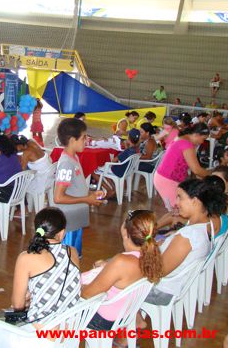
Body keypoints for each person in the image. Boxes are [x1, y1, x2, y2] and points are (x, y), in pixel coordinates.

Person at [0, 208, 81, 348]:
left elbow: (18, 305)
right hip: (70, 331)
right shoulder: (72, 251)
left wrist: (26, 299)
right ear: (61, 233)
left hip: (42, 336)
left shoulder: (26, 257)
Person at [81, 210, 162, 345]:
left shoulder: (121, 261)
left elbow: (86, 294)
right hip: (126, 311)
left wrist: (78, 286)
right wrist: (108, 267)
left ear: (125, 232)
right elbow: (127, 275)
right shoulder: (150, 256)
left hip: (104, 319)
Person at [146, 178, 227, 305]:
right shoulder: (206, 225)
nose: (176, 202)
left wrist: (146, 251)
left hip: (160, 290)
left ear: (194, 201)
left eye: (180, 197)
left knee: (114, 274)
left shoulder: (187, 236)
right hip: (175, 285)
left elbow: (158, 272)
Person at [53, 118, 103, 257]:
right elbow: (58, 197)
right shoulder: (66, 163)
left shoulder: (74, 158)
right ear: (72, 140)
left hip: (75, 218)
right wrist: (87, 199)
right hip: (68, 221)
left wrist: (91, 194)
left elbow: (76, 187)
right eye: (83, 137)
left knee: (75, 255)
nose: (86, 140)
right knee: (69, 257)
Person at [154, 123, 211, 210]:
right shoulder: (186, 144)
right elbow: (196, 170)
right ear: (196, 134)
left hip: (165, 178)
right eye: (203, 139)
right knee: (179, 211)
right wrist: (212, 173)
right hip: (167, 180)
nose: (202, 142)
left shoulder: (182, 139)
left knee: (176, 211)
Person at [92, 128, 140, 199]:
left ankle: (109, 189)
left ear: (128, 138)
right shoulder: (135, 150)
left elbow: (114, 160)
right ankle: (113, 188)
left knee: (94, 171)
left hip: (119, 171)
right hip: (126, 171)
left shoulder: (126, 152)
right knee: (105, 169)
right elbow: (127, 152)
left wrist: (107, 163)